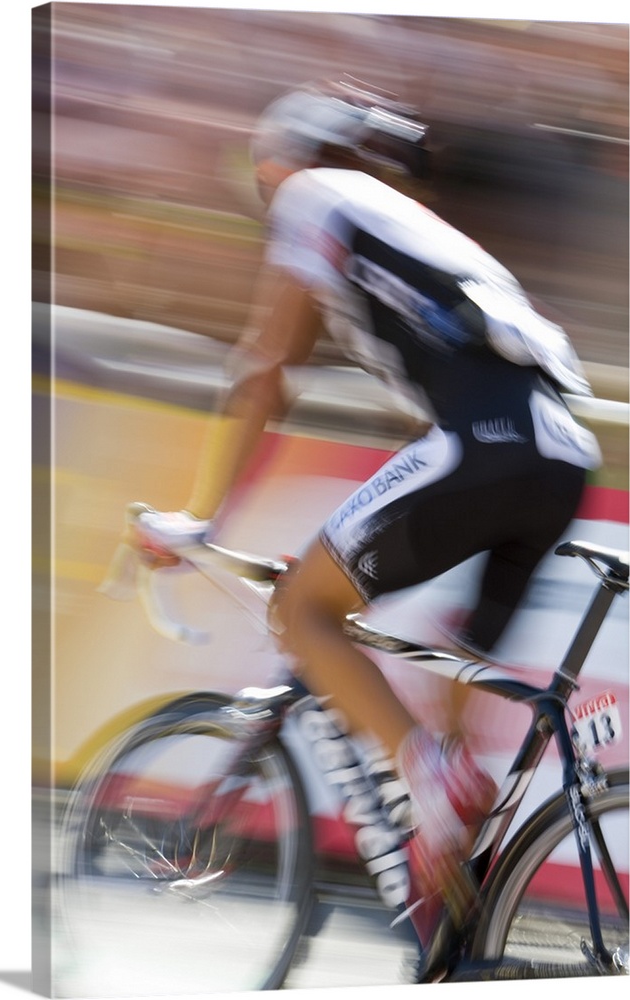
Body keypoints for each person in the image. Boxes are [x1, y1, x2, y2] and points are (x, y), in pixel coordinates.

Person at [136, 80, 601, 923]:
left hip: (487, 444)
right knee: (450, 675)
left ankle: (434, 781)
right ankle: (459, 916)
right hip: (563, 455)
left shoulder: (313, 195)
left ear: (278, 167)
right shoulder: (421, 230)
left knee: (303, 612)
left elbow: (265, 371)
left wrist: (200, 517)